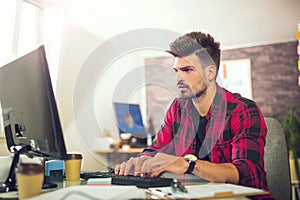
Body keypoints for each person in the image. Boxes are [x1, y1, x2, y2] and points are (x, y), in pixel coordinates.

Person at [115, 31, 274, 199]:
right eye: (177, 70)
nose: (178, 78)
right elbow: (156, 150)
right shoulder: (178, 108)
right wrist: (142, 161)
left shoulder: (242, 110)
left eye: (187, 70)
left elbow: (248, 173)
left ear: (210, 73)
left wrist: (187, 165)